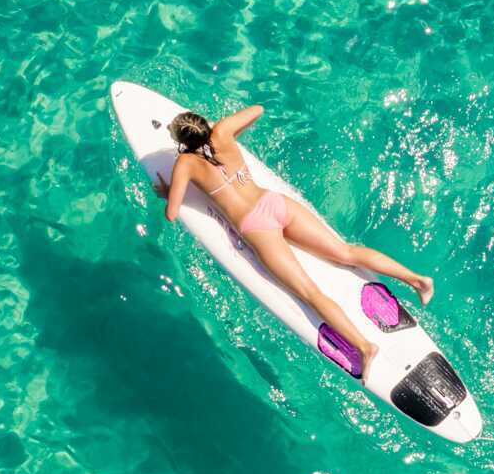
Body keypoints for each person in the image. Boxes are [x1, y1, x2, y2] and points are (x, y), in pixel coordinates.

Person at [154, 105, 433, 379]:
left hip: (256, 228)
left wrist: (168, 190)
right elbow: (258, 110)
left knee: (310, 293)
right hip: (274, 203)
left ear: (182, 142)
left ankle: (365, 347)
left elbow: (172, 214)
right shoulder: (223, 133)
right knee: (345, 252)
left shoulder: (186, 163)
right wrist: (220, 128)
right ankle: (418, 280)